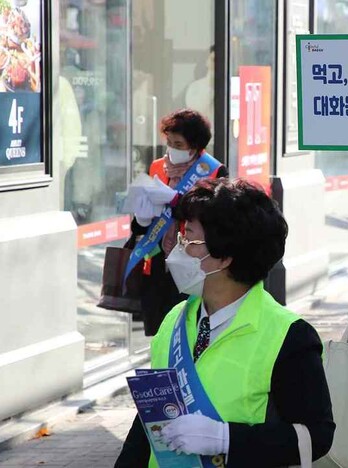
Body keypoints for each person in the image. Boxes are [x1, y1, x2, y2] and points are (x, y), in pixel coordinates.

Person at [116, 179, 334, 466]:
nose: (176, 250)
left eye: (189, 239)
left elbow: (316, 436)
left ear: (224, 257)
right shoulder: (175, 319)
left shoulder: (288, 335)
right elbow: (150, 420)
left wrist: (226, 438)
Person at [128, 109, 228, 336]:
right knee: (159, 333)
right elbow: (140, 225)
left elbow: (219, 218)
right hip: (156, 264)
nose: (172, 149)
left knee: (188, 332)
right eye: (169, 142)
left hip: (193, 264)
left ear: (195, 146)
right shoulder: (156, 168)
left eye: (179, 144)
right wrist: (141, 220)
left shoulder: (213, 170)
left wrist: (176, 201)